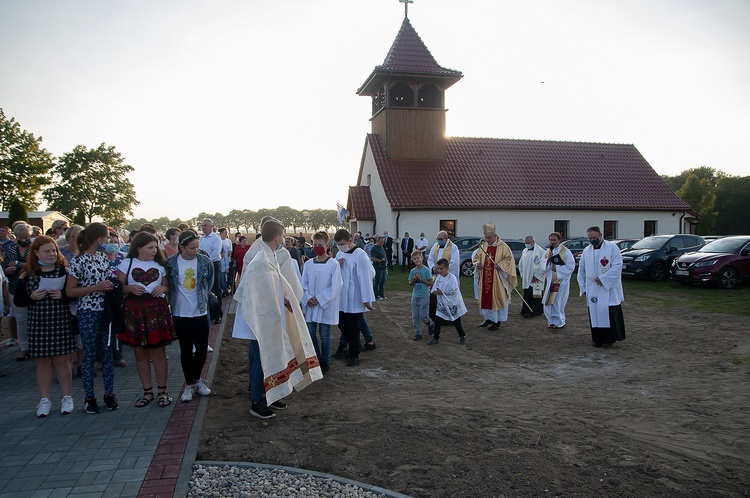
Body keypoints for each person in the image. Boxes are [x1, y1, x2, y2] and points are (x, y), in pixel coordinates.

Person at [232, 219, 323, 419]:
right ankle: (257, 402)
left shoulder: (269, 256)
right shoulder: (259, 262)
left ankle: (270, 395)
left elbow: (275, 286)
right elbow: (254, 295)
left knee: (269, 358)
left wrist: (285, 301)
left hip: (272, 316)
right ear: (277, 237)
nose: (283, 239)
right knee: (260, 359)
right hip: (260, 319)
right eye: (282, 235)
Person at [13, 236, 76, 417]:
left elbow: (73, 294)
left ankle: (67, 397)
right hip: (38, 323)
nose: (51, 254)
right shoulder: (28, 273)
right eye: (46, 251)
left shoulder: (64, 271)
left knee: (63, 362)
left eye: (53, 251)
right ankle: (44, 400)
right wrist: (32, 297)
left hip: (60, 321)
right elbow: (19, 300)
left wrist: (62, 296)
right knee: (42, 363)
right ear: (36, 253)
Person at [118, 232, 177, 408]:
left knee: (158, 352)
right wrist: (129, 288)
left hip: (156, 310)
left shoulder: (160, 264)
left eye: (155, 247)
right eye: (150, 247)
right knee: (140, 353)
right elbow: (118, 287)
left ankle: (162, 391)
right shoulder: (127, 263)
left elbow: (167, 286)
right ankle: (147, 392)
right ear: (138, 248)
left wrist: (163, 288)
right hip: (134, 310)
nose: (154, 250)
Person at [66, 222, 119, 414]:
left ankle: (109, 394)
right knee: (88, 355)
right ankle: (89, 397)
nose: (109, 241)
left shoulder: (103, 259)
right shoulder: (79, 261)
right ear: (99, 239)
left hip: (104, 311)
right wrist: (96, 287)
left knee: (106, 354)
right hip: (88, 312)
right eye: (106, 238)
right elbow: (70, 290)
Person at [166, 230, 215, 402]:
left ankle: (197, 380)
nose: (195, 250)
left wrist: (203, 298)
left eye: (197, 247)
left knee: (201, 349)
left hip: (200, 312)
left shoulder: (204, 261)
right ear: (182, 247)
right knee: (186, 350)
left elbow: (210, 282)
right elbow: (169, 285)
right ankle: (189, 385)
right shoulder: (171, 263)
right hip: (180, 314)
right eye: (192, 248)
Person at [332, 229, 376, 366]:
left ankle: (354, 354)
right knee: (341, 323)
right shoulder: (339, 253)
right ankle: (355, 346)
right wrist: (336, 266)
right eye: (338, 244)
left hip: (355, 297)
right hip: (341, 296)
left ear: (350, 241)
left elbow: (365, 277)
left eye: (342, 243)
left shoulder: (360, 255)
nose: (340, 246)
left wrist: (366, 299)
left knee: (353, 326)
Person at [577, 226, 626, 347]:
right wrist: (583, 287)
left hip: (608, 288)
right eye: (590, 238)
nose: (592, 240)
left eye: (595, 237)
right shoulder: (586, 251)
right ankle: (597, 339)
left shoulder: (612, 248)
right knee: (594, 313)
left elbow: (617, 266)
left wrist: (604, 279)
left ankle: (609, 339)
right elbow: (581, 269)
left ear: (600, 235)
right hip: (592, 288)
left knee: (608, 312)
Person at [301, 231, 342, 374]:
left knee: (324, 334)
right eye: (314, 244)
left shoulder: (333, 264)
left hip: (325, 305)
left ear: (327, 245)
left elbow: (336, 285)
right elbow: (303, 284)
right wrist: (307, 298)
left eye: (320, 244)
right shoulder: (308, 264)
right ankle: (316, 358)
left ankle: (325, 361)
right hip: (311, 304)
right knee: (311, 333)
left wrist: (319, 299)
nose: (317, 247)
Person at [472, 222, 516, 331]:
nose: (487, 240)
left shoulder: (503, 247)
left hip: (498, 279)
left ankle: (497, 321)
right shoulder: (484, 246)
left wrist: (500, 265)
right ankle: (488, 318)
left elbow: (509, 260)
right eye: (486, 238)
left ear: (495, 235)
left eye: (489, 238)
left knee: (497, 298)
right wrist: (477, 264)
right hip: (485, 277)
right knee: (485, 298)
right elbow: (477, 257)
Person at [2, 222, 33, 360]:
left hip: (32, 287)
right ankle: (24, 347)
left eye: (25, 237)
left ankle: (34, 346)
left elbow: (36, 265)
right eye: (19, 238)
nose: (22, 240)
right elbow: (3, 267)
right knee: (21, 319)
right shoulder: (10, 250)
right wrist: (7, 270)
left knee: (33, 319)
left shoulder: (34, 249)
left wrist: (19, 264)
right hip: (15, 287)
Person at [427, 258, 467, 345]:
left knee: (456, 321)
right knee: (437, 320)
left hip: (452, 304)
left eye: (441, 269)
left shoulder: (452, 278)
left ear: (447, 268)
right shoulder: (438, 278)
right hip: (442, 304)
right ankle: (436, 338)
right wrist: (434, 292)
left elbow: (454, 291)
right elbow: (434, 289)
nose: (439, 271)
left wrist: (441, 292)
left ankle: (462, 335)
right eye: (438, 268)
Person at [541, 232, 576, 329]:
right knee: (548, 301)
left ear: (559, 240)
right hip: (551, 281)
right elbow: (542, 264)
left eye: (554, 240)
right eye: (551, 240)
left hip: (561, 281)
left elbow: (571, 266)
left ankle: (560, 322)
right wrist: (548, 260)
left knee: (557, 301)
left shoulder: (566, 252)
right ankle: (551, 321)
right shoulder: (548, 251)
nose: (552, 242)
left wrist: (558, 269)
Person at [199, 218, 223, 324]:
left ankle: (218, 314)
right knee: (205, 288)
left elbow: (216, 252)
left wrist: (206, 261)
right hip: (203, 266)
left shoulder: (216, 238)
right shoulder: (201, 239)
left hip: (213, 264)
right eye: (202, 226)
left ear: (211, 226)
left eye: (205, 225)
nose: (203, 227)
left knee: (215, 288)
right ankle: (211, 312)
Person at [408, 250, 434, 340]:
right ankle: (418, 333)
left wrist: (420, 279)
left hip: (424, 295)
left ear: (422, 258)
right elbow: (410, 283)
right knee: (415, 316)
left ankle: (430, 324)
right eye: (414, 259)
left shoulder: (426, 270)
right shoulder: (413, 271)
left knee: (422, 315)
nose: (416, 260)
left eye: (418, 258)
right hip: (415, 295)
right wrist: (414, 280)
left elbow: (430, 283)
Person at [518, 235, 546, 318]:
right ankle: (526, 310)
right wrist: (523, 274)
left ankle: (536, 311)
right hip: (527, 276)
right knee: (527, 294)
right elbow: (521, 263)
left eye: (528, 243)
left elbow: (543, 265)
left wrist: (537, 276)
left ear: (533, 242)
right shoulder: (525, 251)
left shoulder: (540, 251)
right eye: (526, 243)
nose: (527, 245)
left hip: (536, 277)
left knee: (535, 295)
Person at [370, 236, 387, 300]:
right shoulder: (374, 248)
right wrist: (379, 260)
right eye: (380, 242)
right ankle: (376, 294)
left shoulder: (381, 247)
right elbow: (372, 258)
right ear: (377, 241)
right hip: (378, 267)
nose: (382, 243)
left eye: (383, 242)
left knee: (383, 280)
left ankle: (381, 293)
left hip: (383, 266)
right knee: (378, 280)